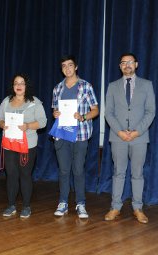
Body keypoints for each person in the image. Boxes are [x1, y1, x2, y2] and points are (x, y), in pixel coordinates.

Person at [104, 53, 155, 224]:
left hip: (139, 138)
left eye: (130, 62)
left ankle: (138, 208)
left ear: (136, 64)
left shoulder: (147, 85)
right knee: (118, 173)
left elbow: (150, 112)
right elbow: (108, 112)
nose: (127, 65)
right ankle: (115, 207)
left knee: (137, 174)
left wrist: (136, 132)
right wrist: (119, 131)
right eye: (124, 63)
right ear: (120, 66)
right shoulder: (112, 86)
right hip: (117, 137)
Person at [52, 55, 99, 219]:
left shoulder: (86, 86)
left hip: (80, 134)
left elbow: (95, 110)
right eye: (64, 66)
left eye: (70, 65)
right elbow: (54, 111)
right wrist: (55, 113)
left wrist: (83, 117)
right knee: (64, 171)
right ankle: (63, 202)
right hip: (62, 134)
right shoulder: (57, 88)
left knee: (78, 170)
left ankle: (81, 203)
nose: (67, 68)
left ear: (76, 67)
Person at [0, 74, 47, 218]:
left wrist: (28, 126)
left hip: (27, 145)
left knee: (25, 175)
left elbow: (42, 122)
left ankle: (26, 206)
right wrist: (1, 124)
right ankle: (11, 205)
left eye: (22, 83)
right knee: (11, 175)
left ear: (26, 86)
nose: (18, 86)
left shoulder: (34, 102)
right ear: (12, 86)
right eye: (16, 83)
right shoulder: (6, 101)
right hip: (9, 144)